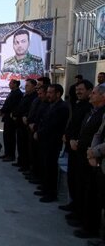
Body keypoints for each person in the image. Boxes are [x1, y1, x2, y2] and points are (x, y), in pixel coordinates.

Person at [67, 84, 105, 238]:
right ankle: (83, 219)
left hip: (96, 160)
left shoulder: (102, 113)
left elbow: (97, 136)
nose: (90, 96)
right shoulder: (92, 111)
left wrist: (92, 152)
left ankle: (91, 228)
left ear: (103, 96)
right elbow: (95, 134)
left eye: (94, 93)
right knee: (83, 188)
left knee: (93, 195)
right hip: (85, 154)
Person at [61, 80, 93, 215]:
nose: (78, 92)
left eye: (81, 89)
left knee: (80, 182)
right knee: (72, 179)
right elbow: (72, 123)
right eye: (77, 90)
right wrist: (67, 136)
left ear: (90, 91)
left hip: (81, 149)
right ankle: (73, 204)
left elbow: (85, 129)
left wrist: (76, 140)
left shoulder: (89, 108)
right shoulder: (78, 104)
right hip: (71, 146)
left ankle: (79, 211)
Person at [34, 84, 69, 203]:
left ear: (58, 94)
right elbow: (44, 120)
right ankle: (45, 188)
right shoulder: (51, 105)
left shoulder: (62, 107)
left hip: (52, 142)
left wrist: (40, 132)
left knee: (51, 168)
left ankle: (51, 193)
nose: (48, 95)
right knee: (45, 165)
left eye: (50, 92)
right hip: (45, 140)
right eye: (47, 92)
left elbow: (53, 125)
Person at [12, 78, 38, 171]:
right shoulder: (26, 95)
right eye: (26, 85)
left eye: (28, 85)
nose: (26, 87)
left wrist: (25, 116)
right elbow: (20, 106)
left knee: (25, 145)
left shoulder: (34, 97)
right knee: (20, 144)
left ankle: (25, 164)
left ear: (34, 87)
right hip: (19, 123)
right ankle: (20, 161)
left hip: (25, 124)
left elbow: (30, 110)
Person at [0, 79, 23, 162]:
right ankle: (7, 153)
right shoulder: (12, 92)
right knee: (6, 136)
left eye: (11, 83)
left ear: (15, 84)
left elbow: (12, 105)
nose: (9, 85)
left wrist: (3, 110)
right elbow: (7, 103)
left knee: (10, 137)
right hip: (7, 117)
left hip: (11, 118)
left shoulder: (18, 93)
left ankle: (11, 155)